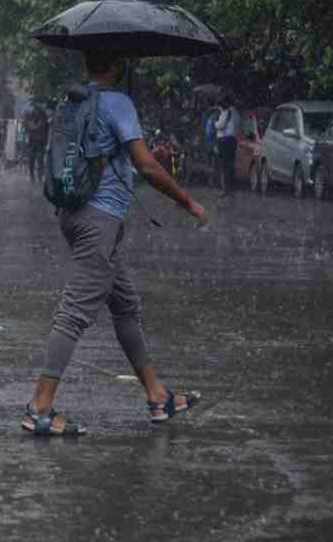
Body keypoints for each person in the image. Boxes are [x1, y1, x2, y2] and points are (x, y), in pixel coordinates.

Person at [22, 52, 209, 436]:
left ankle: (158, 396)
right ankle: (39, 408)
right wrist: (188, 202)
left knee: (125, 305)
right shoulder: (117, 102)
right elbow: (147, 167)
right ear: (116, 64)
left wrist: (136, 155)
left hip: (73, 214)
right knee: (74, 311)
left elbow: (102, 157)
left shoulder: (72, 102)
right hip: (100, 221)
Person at [214, 95, 240, 196]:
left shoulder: (226, 112)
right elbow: (238, 126)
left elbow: (220, 125)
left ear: (226, 103)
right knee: (230, 165)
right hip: (232, 140)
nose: (221, 106)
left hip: (224, 141)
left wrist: (215, 122)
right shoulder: (236, 112)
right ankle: (230, 188)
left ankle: (226, 189)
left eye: (222, 103)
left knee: (224, 165)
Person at [25, 101, 50, 183]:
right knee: (31, 160)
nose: (34, 111)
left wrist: (46, 143)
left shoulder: (43, 119)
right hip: (32, 142)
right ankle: (32, 177)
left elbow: (45, 131)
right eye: (34, 109)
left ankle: (39, 178)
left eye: (36, 109)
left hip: (40, 143)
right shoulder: (30, 118)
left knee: (40, 161)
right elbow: (29, 128)